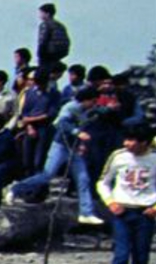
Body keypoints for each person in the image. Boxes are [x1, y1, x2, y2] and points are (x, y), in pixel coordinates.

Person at [8, 85, 103, 224]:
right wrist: (77, 132)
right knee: (47, 175)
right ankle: (16, 189)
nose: (94, 104)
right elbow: (61, 123)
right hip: (60, 146)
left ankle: (86, 212)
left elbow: (89, 121)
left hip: (74, 148)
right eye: (93, 101)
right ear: (86, 99)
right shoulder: (70, 107)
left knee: (83, 179)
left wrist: (81, 143)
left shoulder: (87, 111)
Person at [96, 121, 156, 264]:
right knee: (121, 258)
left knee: (141, 260)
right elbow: (103, 182)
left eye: (132, 140)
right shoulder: (118, 156)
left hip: (145, 214)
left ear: (144, 142)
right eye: (126, 139)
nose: (127, 143)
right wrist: (110, 202)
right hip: (122, 213)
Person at [35, 3, 71, 87]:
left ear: (47, 13)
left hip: (47, 55)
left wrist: (40, 55)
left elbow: (42, 41)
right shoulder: (60, 25)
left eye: (41, 13)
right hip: (57, 56)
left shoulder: (45, 25)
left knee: (43, 78)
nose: (40, 15)